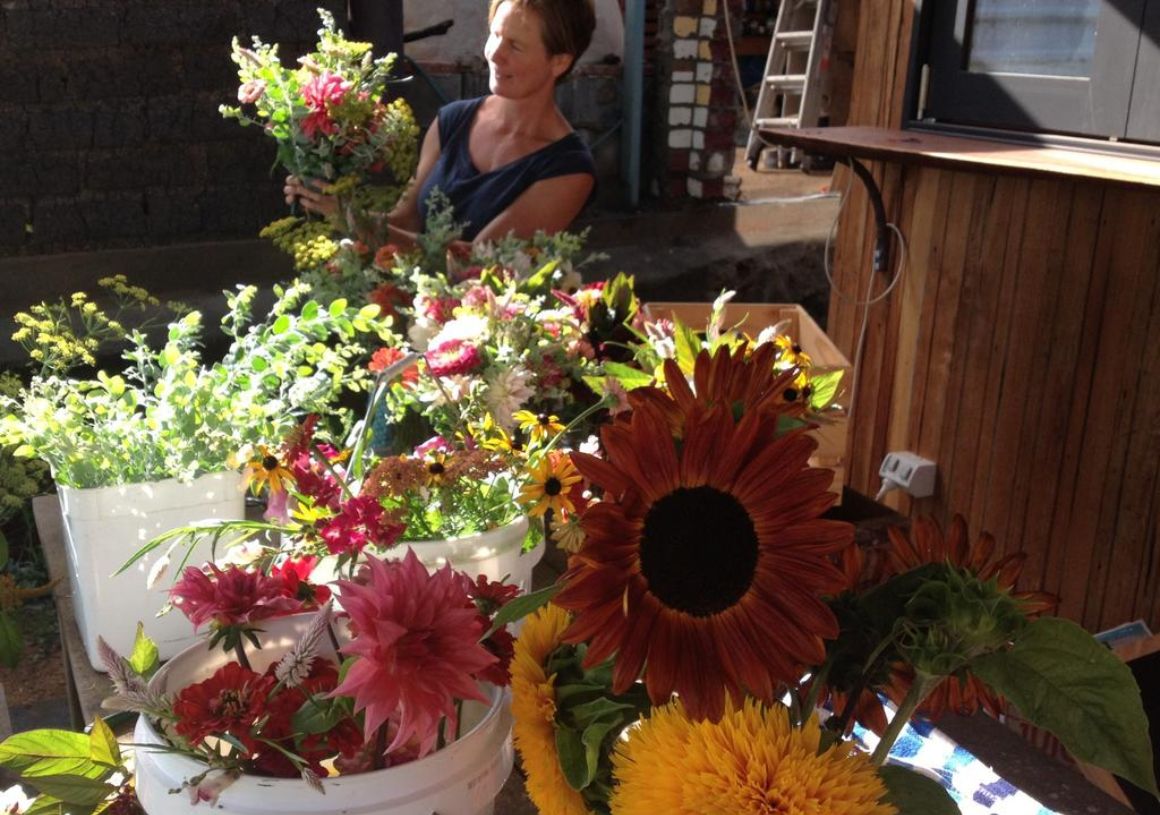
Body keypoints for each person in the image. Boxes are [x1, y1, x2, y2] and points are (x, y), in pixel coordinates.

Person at [285, 0, 598, 249]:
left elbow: (475, 262)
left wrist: (352, 221)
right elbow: (405, 221)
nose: (495, 54)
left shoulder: (568, 169)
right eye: (495, 35)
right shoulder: (452, 120)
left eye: (515, 46)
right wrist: (328, 202)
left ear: (559, 62)